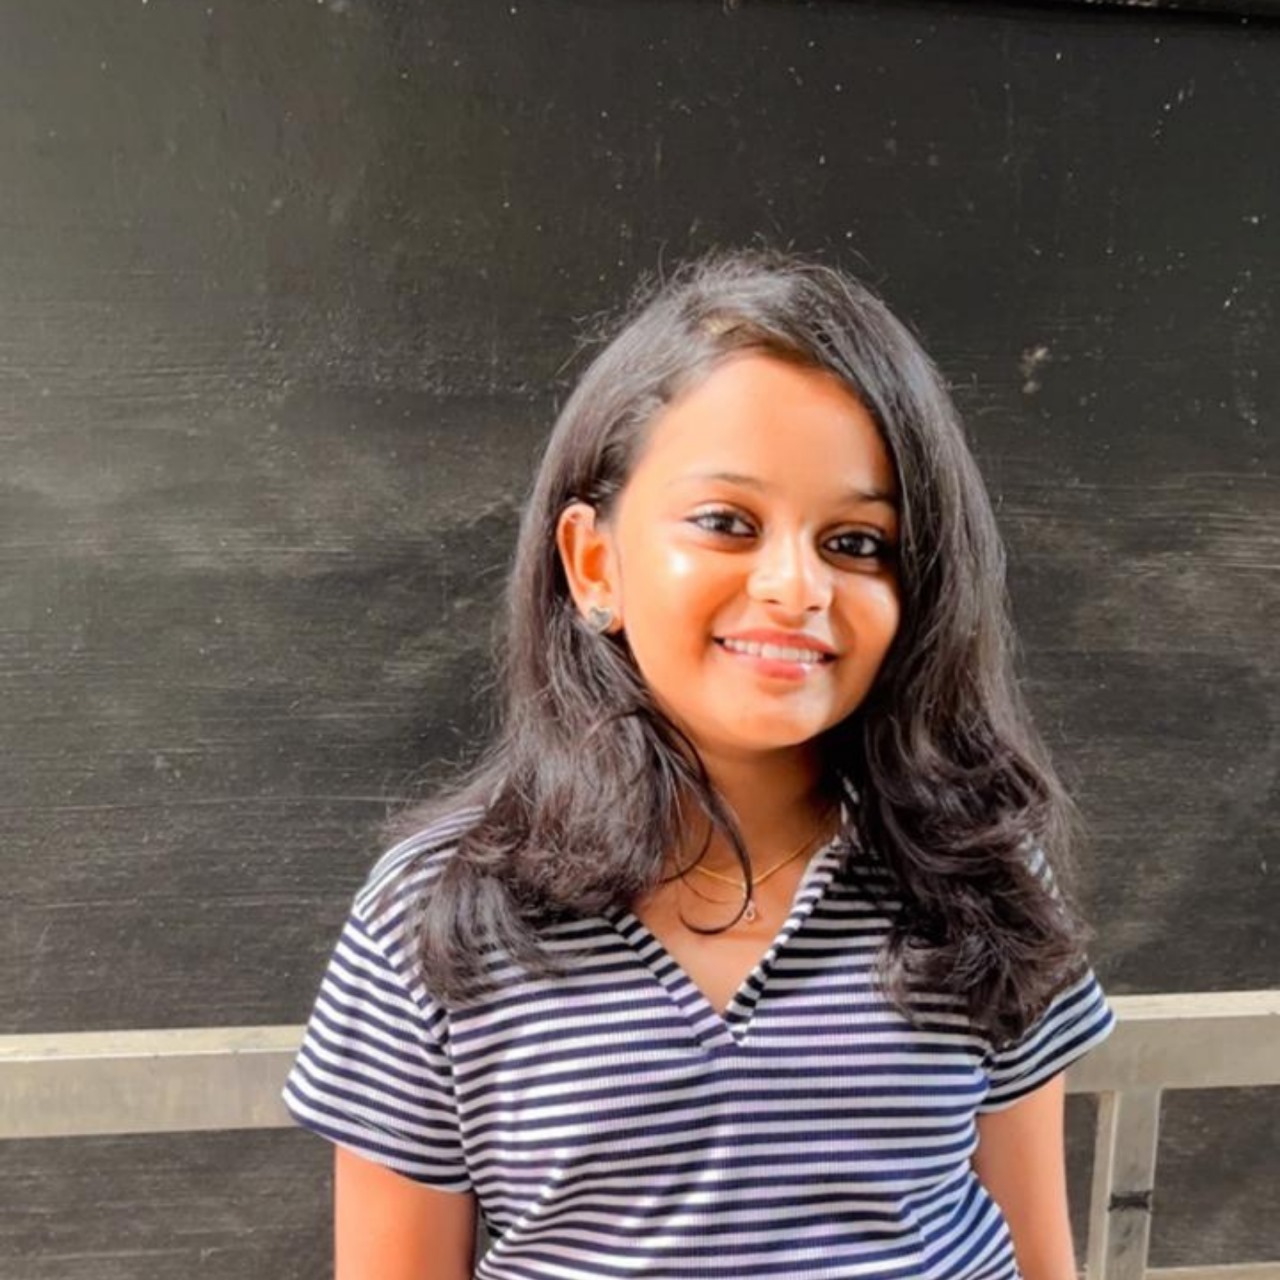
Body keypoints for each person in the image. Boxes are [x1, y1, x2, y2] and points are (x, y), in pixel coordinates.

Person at [284, 250, 1114, 1280]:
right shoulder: (437, 912)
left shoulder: (977, 876)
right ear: (593, 562)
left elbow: (1037, 1255)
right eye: (726, 523)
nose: (795, 586)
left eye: (857, 541)